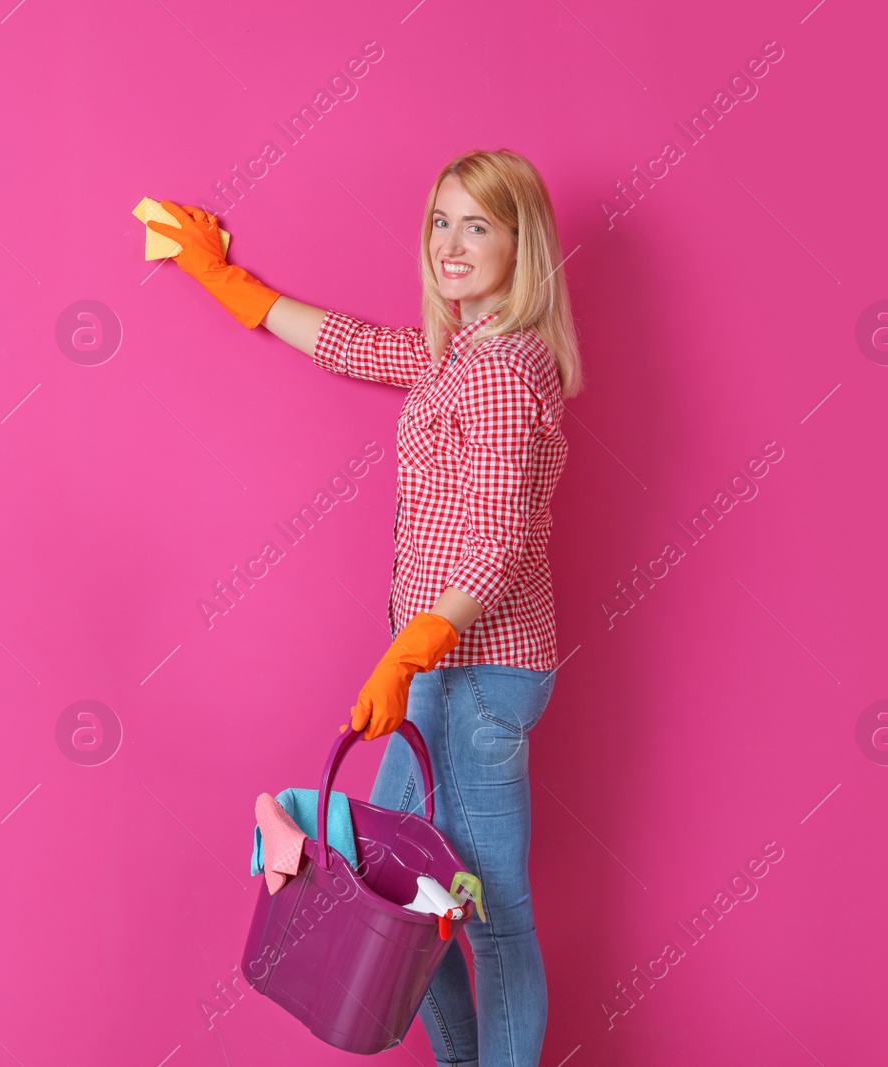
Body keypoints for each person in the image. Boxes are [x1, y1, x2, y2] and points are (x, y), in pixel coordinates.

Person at [149, 148, 582, 1067]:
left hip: (474, 670)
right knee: (409, 899)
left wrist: (411, 648)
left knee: (490, 912)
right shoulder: (454, 353)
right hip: (441, 668)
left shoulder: (505, 370)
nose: (452, 244)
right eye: (441, 221)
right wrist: (226, 280)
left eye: (479, 225)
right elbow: (349, 341)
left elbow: (498, 545)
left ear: (522, 243)